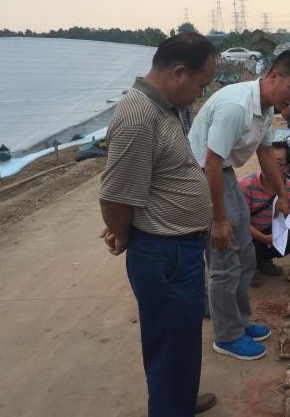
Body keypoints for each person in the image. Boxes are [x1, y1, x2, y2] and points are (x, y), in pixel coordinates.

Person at [98, 33, 217, 416]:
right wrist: (122, 232)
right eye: (200, 84)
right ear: (179, 73)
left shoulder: (162, 108)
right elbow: (114, 196)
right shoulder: (138, 116)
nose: (199, 94)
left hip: (180, 248)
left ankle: (179, 400)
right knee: (168, 342)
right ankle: (169, 407)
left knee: (183, 335)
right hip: (163, 252)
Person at [188, 50, 290, 360]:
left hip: (222, 170)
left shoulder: (266, 107)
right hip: (201, 173)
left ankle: (240, 322)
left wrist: (282, 197)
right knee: (225, 259)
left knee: (244, 253)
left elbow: (265, 152)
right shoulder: (236, 107)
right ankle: (227, 336)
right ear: (274, 77)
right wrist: (219, 219)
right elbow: (210, 162)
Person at [239, 141, 290, 277]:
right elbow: (241, 223)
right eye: (267, 161)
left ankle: (262, 260)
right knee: (250, 246)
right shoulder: (246, 185)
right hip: (249, 232)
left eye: (277, 163)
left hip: (272, 230)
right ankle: (250, 266)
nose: (270, 166)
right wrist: (264, 238)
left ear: (286, 167)